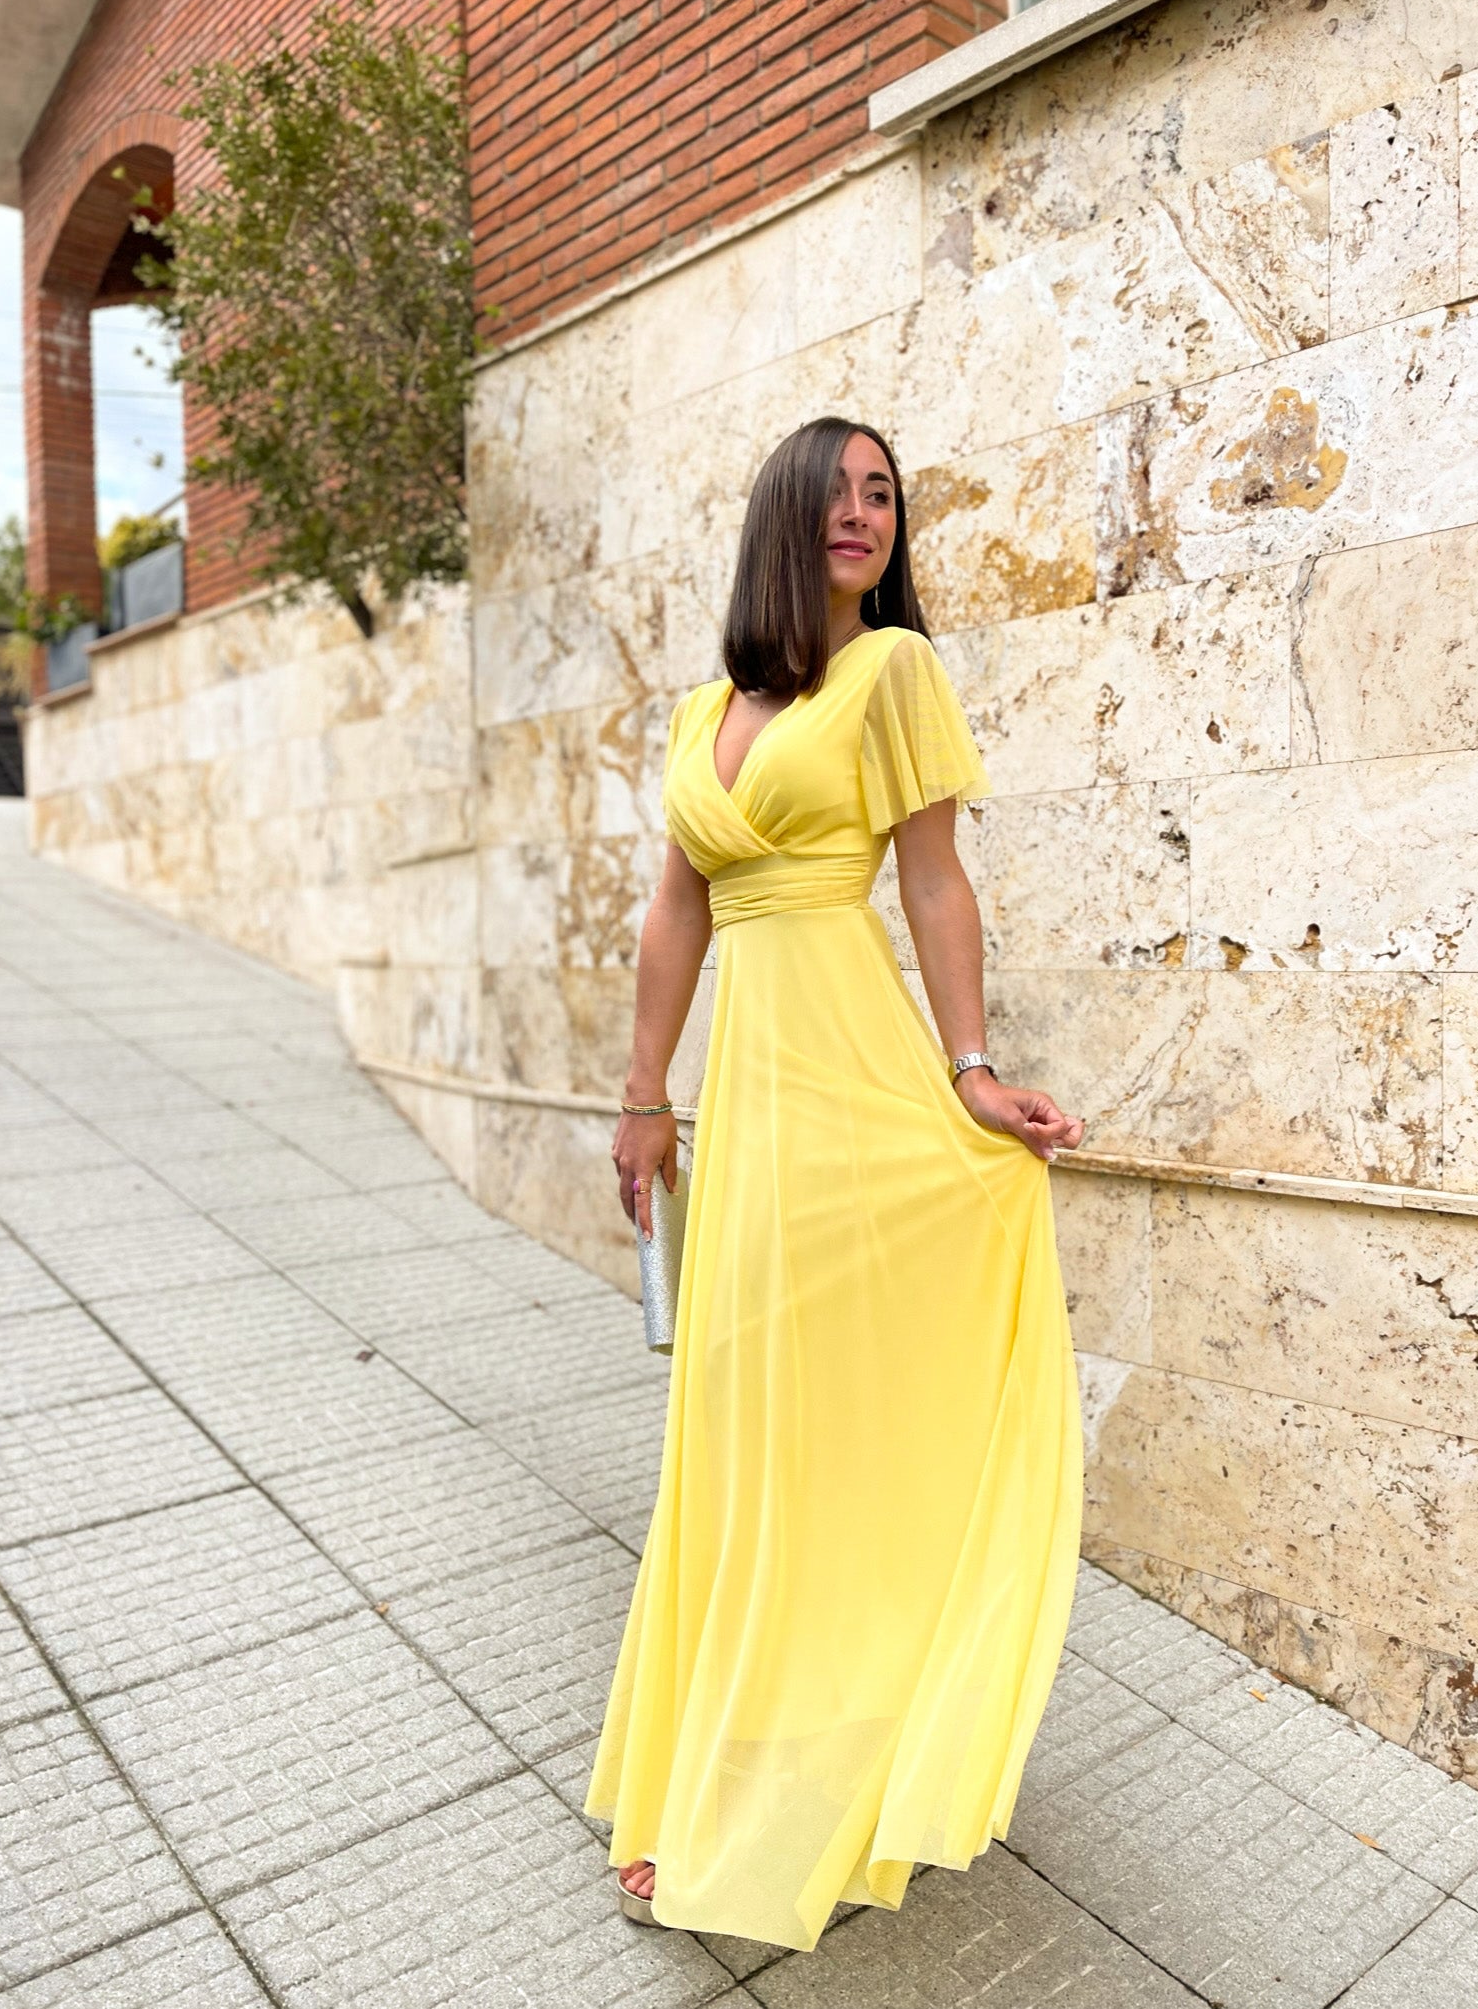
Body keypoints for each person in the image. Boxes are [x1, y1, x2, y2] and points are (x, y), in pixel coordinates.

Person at [583, 415, 1085, 1953]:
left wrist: (973, 1068)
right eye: (841, 492)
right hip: (752, 1102)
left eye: (886, 497)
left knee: (840, 1413)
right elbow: (679, 906)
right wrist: (643, 1095)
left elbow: (932, 878)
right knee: (741, 1423)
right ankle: (727, 1745)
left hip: (858, 1082)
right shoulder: (700, 713)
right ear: (783, 518)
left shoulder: (893, 676)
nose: (864, 514)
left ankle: (849, 1735)